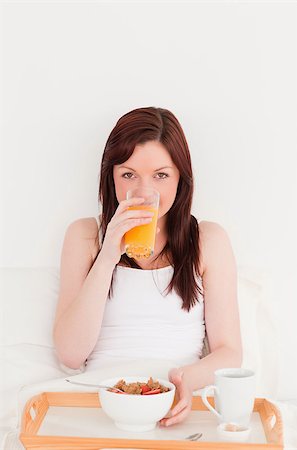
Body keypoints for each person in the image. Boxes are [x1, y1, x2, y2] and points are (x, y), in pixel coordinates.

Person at [53, 106, 242, 426]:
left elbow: (229, 352)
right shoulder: (85, 235)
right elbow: (70, 354)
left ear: (181, 178)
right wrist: (108, 254)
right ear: (110, 177)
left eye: (161, 175)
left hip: (174, 399)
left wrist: (184, 380)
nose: (143, 192)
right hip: (101, 400)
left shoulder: (208, 240)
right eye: (128, 174)